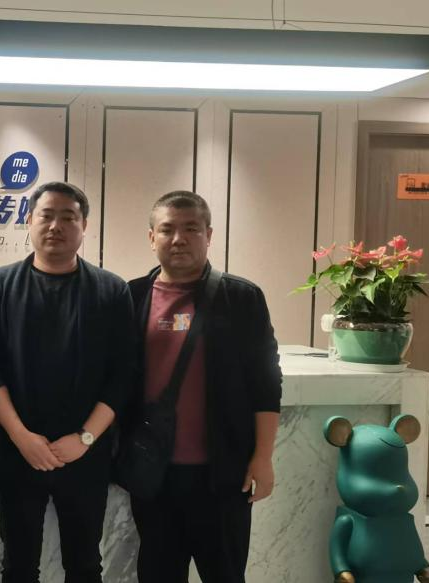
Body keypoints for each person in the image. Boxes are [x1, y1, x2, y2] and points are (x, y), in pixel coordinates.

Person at [0, 181, 135, 583]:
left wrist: (85, 438)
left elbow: (124, 373)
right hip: (17, 451)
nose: (56, 225)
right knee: (18, 565)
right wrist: (22, 437)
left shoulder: (111, 289)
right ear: (29, 220)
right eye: (46, 215)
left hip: (85, 454)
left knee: (85, 565)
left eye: (68, 217)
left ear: (84, 226)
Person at [126, 190, 281, 583]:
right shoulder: (131, 296)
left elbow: (265, 382)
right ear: (152, 238)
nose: (179, 238)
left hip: (223, 474)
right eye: (167, 229)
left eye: (191, 229)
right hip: (153, 475)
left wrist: (263, 457)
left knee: (225, 575)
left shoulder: (241, 297)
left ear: (209, 235)